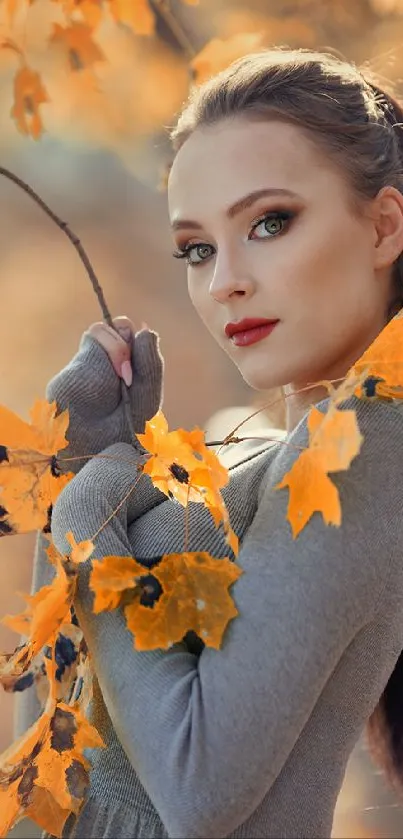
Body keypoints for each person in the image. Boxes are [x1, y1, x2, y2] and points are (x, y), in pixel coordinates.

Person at [15, 46, 403, 839]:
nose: (224, 279)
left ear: (382, 225)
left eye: (269, 222)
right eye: (196, 248)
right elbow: (58, 733)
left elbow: (198, 790)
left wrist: (89, 511)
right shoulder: (250, 445)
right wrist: (80, 462)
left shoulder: (362, 450)